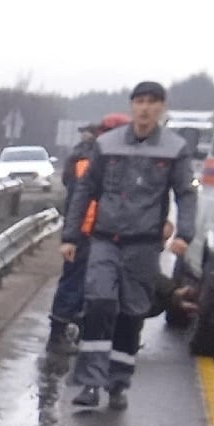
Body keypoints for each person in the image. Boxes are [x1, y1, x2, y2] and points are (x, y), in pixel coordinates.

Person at [59, 83, 200, 409]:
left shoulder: (174, 149)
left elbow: (186, 194)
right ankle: (90, 383)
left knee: (131, 312)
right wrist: (70, 236)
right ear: (132, 106)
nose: (145, 108)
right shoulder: (106, 145)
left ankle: (117, 382)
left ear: (161, 108)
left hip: (144, 245)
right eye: (139, 102)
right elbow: (84, 191)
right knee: (98, 301)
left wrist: (184, 234)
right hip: (106, 240)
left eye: (152, 102)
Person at [45, 116, 124, 357]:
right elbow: (84, 196)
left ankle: (83, 331)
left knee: (94, 287)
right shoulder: (87, 160)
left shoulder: (102, 156)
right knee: (74, 284)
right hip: (85, 232)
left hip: (101, 233)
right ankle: (57, 335)